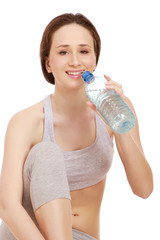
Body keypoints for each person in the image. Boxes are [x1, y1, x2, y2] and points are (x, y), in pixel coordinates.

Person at [0, 13, 153, 240]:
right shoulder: (26, 121)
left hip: (83, 236)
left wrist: (119, 123)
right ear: (48, 63)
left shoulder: (115, 108)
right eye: (63, 52)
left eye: (83, 51)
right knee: (46, 152)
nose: (75, 61)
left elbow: (143, 190)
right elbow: (8, 207)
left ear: (94, 59)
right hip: (27, 236)